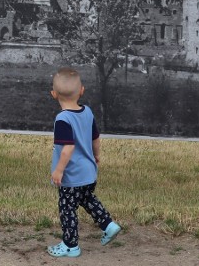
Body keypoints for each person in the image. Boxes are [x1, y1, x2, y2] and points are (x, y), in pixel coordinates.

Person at [47, 67, 121, 258]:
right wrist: (96, 156)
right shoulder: (87, 112)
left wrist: (58, 170)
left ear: (54, 94)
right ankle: (108, 225)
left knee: (67, 208)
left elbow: (68, 148)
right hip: (89, 172)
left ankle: (71, 246)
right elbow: (95, 138)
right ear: (82, 91)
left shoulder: (63, 119)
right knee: (88, 199)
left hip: (72, 176)